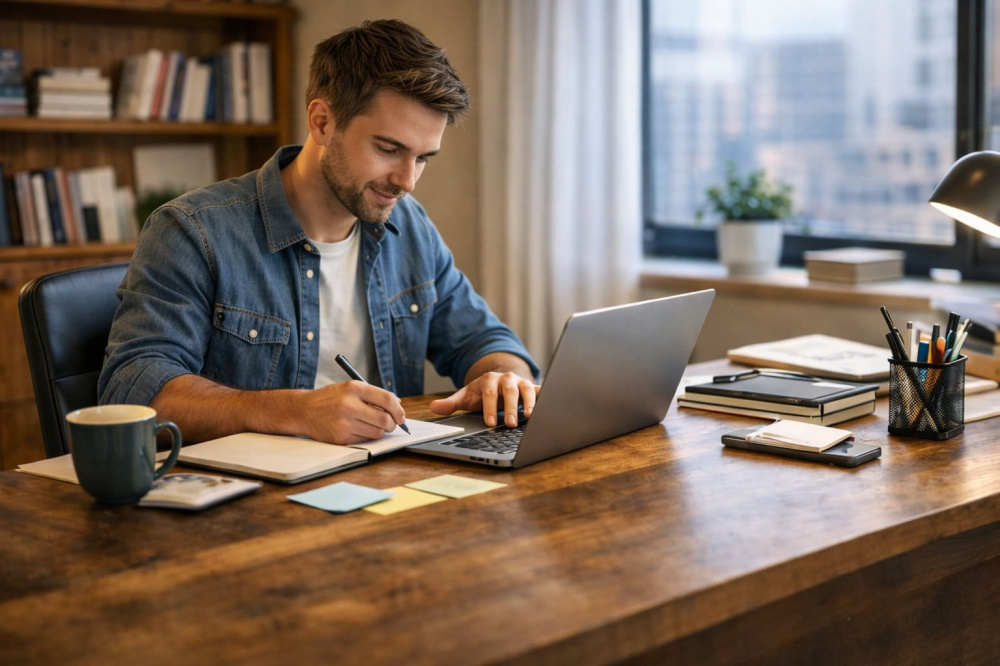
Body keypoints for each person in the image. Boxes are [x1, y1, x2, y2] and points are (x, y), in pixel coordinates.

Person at [98, 19, 540, 446]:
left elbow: (484, 340)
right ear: (322, 121)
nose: (407, 181)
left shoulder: (409, 226)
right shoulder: (192, 232)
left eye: (423, 158)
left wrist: (506, 379)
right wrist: (296, 411)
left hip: (389, 481)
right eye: (389, 149)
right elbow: (133, 392)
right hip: (254, 493)